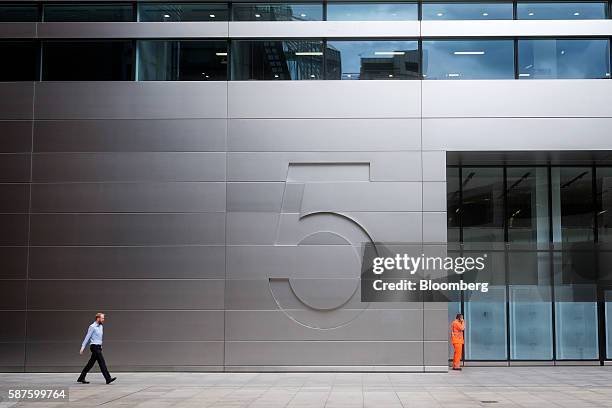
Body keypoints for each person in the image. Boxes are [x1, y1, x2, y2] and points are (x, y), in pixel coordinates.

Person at [77, 313, 116, 384]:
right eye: (102, 318)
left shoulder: (101, 326)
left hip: (98, 347)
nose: (103, 320)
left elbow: (100, 338)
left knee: (90, 363)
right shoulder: (92, 327)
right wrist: (82, 347)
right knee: (102, 362)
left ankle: (81, 377)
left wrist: (101, 346)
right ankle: (108, 378)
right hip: (94, 347)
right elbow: (87, 337)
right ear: (98, 318)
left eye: (103, 318)